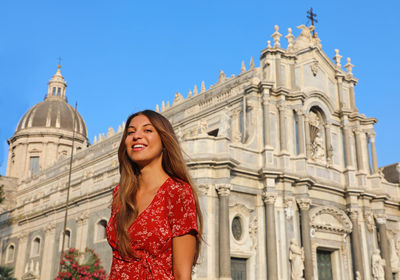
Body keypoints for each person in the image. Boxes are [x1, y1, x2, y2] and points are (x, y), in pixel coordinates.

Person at [106, 110, 203, 279]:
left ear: (164, 141)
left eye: (147, 130)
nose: (136, 136)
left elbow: (182, 274)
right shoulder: (120, 194)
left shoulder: (177, 193)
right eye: (130, 132)